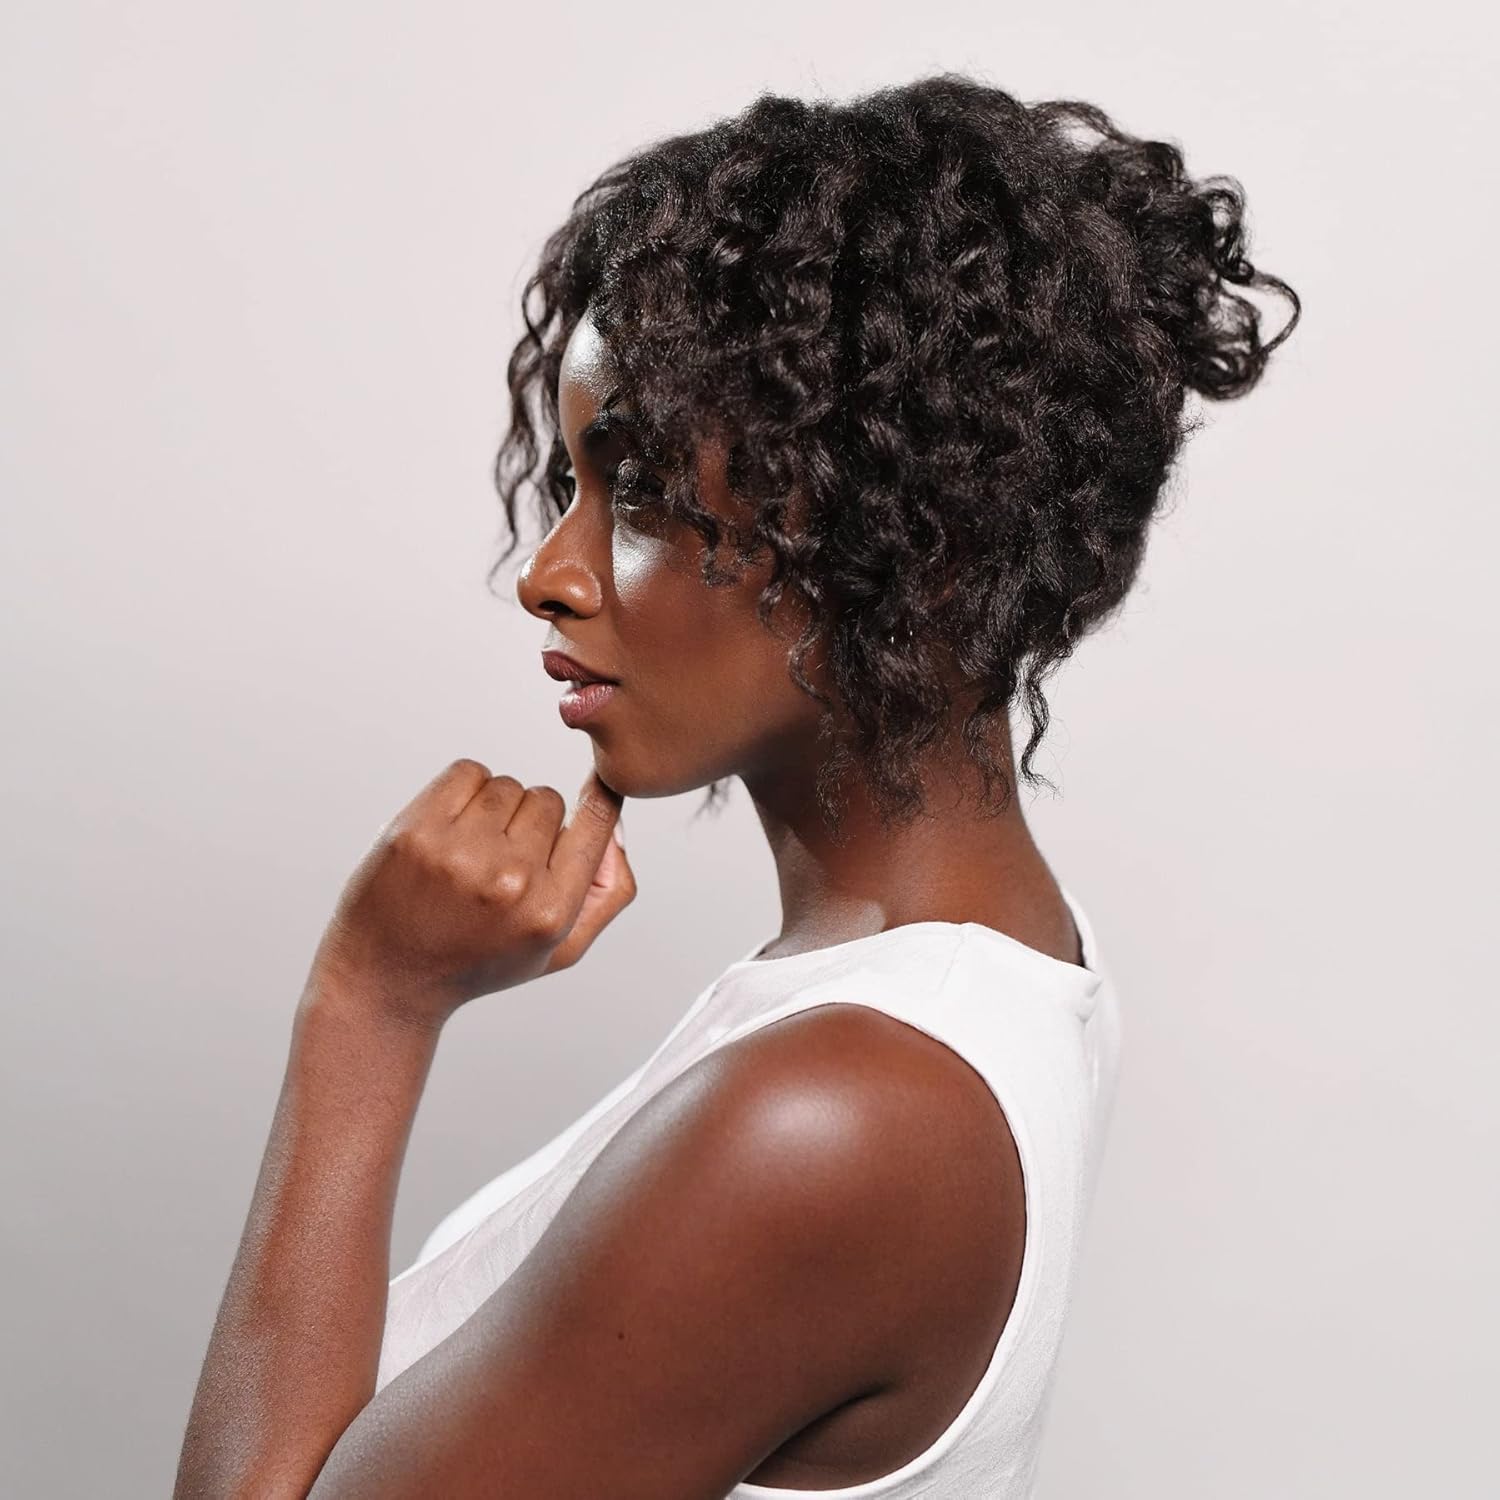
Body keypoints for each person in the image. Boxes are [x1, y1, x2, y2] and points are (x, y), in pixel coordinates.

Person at [174, 71, 1299, 1498]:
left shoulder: (837, 1115)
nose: (549, 573)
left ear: (913, 536)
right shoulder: (1002, 965)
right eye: (570, 483)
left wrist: (369, 1004)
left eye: (640, 491)